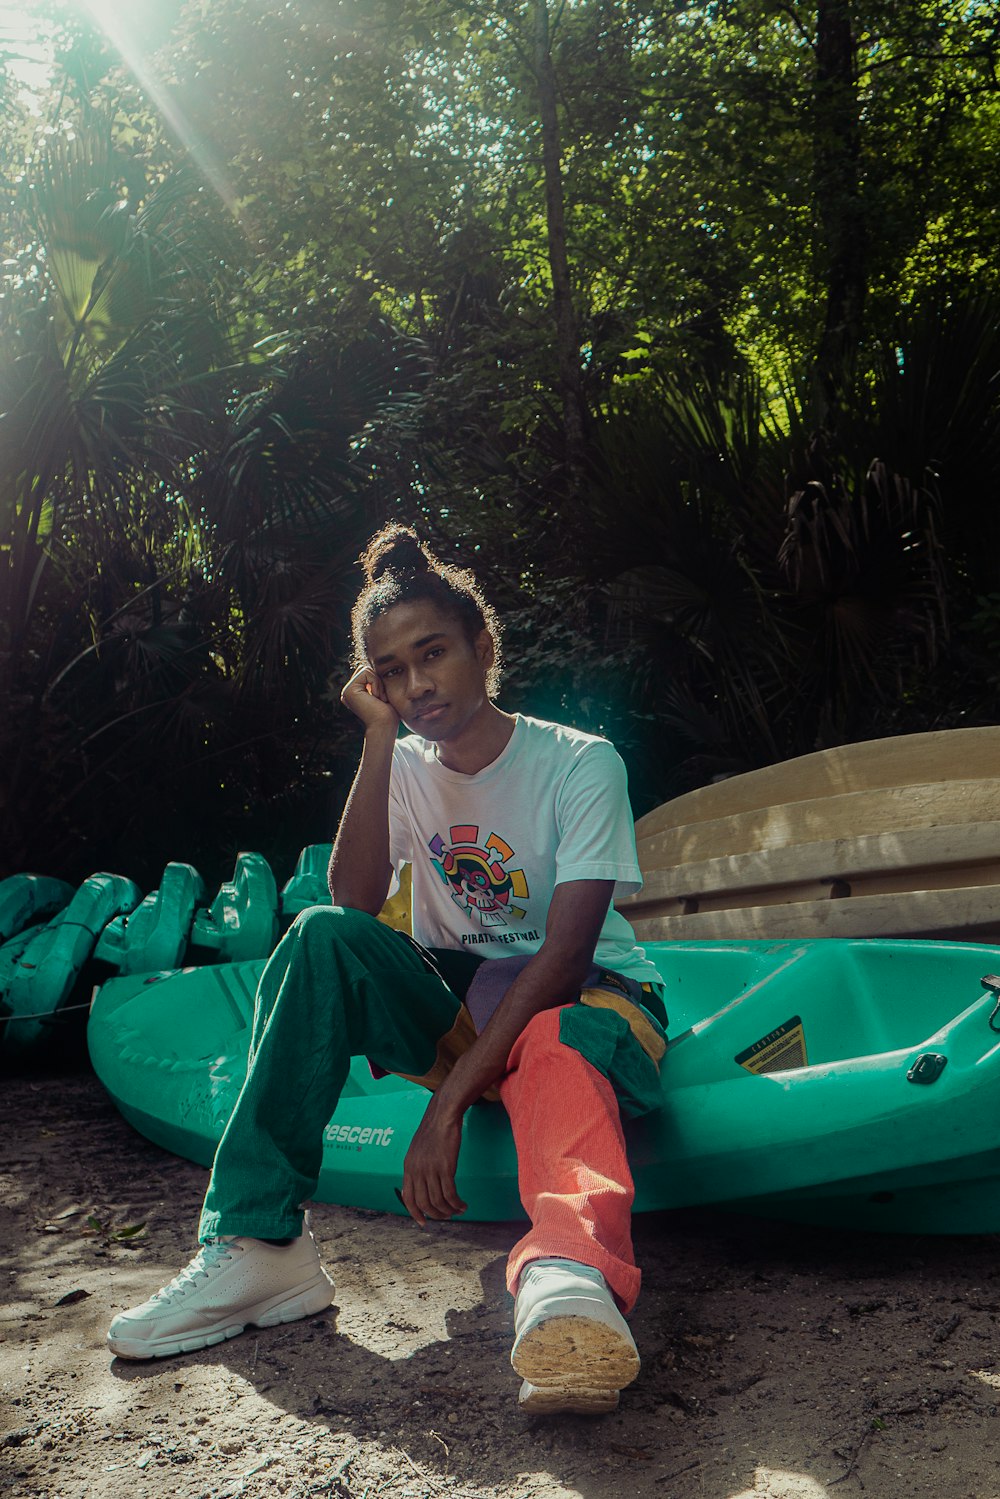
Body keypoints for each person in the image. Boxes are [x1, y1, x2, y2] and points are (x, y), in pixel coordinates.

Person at [107, 524, 668, 1415]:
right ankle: (261, 1245)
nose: (416, 685)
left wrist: (443, 1108)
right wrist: (376, 746)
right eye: (391, 670)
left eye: (433, 654)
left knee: (555, 1033)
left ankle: (569, 1276)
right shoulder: (402, 762)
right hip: (461, 1006)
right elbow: (354, 903)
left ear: (483, 647)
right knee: (322, 933)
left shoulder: (579, 762)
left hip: (591, 1000)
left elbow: (562, 958)